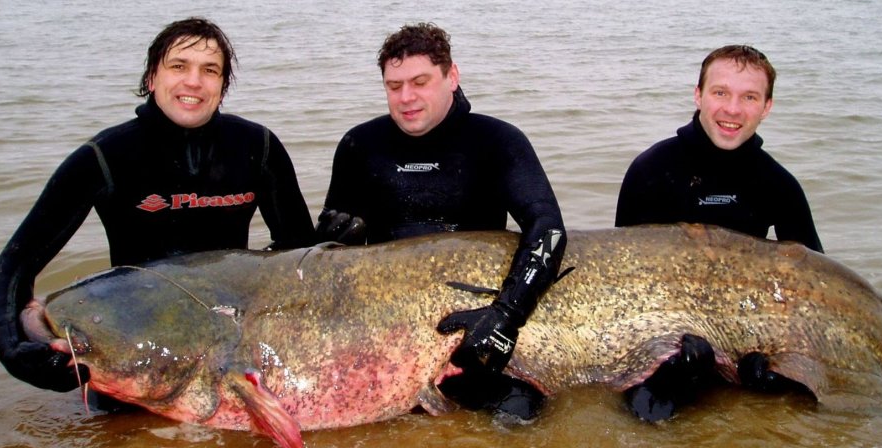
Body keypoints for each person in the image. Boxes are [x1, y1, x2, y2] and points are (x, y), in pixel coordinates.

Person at [0, 17, 316, 393]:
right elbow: (15, 265)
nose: (193, 81)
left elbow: (299, 256)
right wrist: (14, 349)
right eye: (179, 66)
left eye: (210, 70)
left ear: (222, 87)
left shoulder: (258, 147)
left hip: (229, 352)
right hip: (138, 349)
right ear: (151, 79)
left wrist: (336, 238)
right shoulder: (105, 156)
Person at [317, 22, 567, 419]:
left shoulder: (497, 141)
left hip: (472, 326)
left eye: (420, 81)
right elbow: (331, 262)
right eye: (393, 86)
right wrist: (332, 240)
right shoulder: (359, 146)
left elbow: (548, 228)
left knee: (519, 418)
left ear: (452, 76)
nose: (406, 97)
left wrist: (506, 315)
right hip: (388, 329)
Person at [614, 44, 822, 421]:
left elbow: (813, 287)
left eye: (749, 97)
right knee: (643, 422)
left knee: (795, 417)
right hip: (664, 338)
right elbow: (621, 281)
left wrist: (776, 357)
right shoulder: (650, 170)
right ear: (698, 95)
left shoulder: (779, 185)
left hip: (745, 335)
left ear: (767, 107)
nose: (732, 109)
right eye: (720, 92)